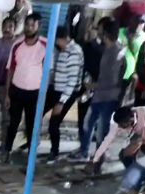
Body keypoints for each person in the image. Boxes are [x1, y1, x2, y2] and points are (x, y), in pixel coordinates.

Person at [71, 18, 125, 161]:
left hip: (109, 97)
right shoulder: (107, 49)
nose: (97, 32)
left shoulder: (117, 52)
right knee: (88, 123)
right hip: (99, 95)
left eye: (99, 29)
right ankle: (84, 151)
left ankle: (98, 159)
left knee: (101, 130)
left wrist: (94, 86)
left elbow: (113, 80)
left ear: (105, 33)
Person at [1, 13, 46, 157]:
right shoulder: (17, 44)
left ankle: (31, 153)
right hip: (17, 90)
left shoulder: (45, 45)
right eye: (27, 24)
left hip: (35, 92)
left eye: (33, 25)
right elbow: (10, 69)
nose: (29, 28)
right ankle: (6, 150)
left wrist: (44, 95)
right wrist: (7, 93)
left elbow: (48, 72)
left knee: (31, 124)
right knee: (13, 122)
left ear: (38, 27)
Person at [43, 26, 83, 162]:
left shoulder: (74, 52)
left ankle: (54, 151)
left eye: (56, 40)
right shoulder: (64, 50)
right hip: (56, 88)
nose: (55, 43)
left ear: (63, 39)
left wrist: (62, 101)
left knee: (54, 122)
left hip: (66, 93)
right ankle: (31, 142)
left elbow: (72, 80)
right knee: (37, 113)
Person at [91, 105, 145, 172]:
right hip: (140, 133)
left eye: (121, 124)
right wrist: (96, 158)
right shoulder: (119, 122)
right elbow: (107, 140)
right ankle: (133, 172)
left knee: (143, 153)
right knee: (123, 154)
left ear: (130, 120)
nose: (119, 126)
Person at [78, 17, 107, 151]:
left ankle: (96, 151)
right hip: (86, 86)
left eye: (99, 29)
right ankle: (83, 146)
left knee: (97, 121)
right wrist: (85, 82)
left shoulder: (112, 49)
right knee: (83, 118)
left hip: (101, 89)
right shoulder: (89, 45)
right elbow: (83, 65)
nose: (97, 31)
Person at [118, 15, 145, 85]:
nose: (138, 25)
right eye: (136, 21)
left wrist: (131, 44)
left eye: (141, 23)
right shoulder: (119, 31)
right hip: (115, 70)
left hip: (130, 74)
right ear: (131, 21)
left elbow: (142, 58)